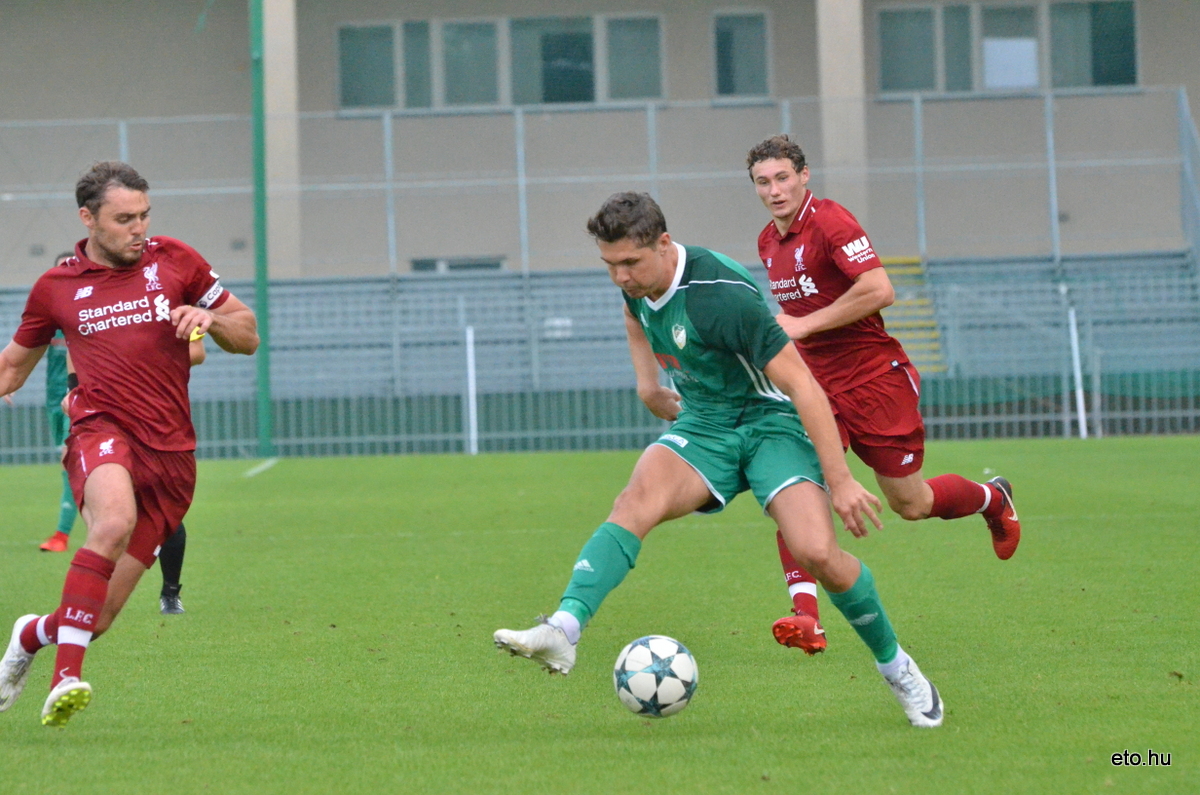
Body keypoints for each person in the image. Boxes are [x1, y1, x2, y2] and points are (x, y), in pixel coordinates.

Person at [495, 192, 944, 728]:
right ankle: (563, 629)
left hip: (771, 423)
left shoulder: (721, 294)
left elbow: (802, 385)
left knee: (817, 552)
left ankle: (897, 667)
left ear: (664, 244)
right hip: (705, 423)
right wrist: (647, 385)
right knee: (634, 501)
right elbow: (635, 314)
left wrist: (841, 480)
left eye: (630, 262)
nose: (620, 276)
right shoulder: (636, 285)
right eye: (609, 264)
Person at [0, 161, 258, 727]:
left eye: (144, 215)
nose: (139, 228)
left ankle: (30, 634)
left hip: (171, 456)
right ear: (88, 218)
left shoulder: (176, 261)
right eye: (124, 219)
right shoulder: (56, 288)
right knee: (112, 522)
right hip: (100, 428)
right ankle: (65, 678)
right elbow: (12, 368)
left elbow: (248, 334)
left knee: (94, 619)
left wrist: (211, 320)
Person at [746, 135, 1022, 656]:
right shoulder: (767, 241)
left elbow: (879, 290)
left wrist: (804, 325)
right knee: (799, 483)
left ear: (804, 175)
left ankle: (993, 498)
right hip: (817, 389)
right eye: (763, 182)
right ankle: (806, 616)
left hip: (875, 380)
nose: (774, 190)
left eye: (782, 178)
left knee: (911, 504)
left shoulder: (832, 222)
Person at [41, 280, 199, 617]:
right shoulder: (92, 305)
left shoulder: (172, 301)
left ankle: (170, 591)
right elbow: (74, 351)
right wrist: (73, 390)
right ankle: (91, 590)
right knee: (111, 511)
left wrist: (142, 358)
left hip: (157, 420)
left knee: (164, 509)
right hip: (106, 418)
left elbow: (198, 351)